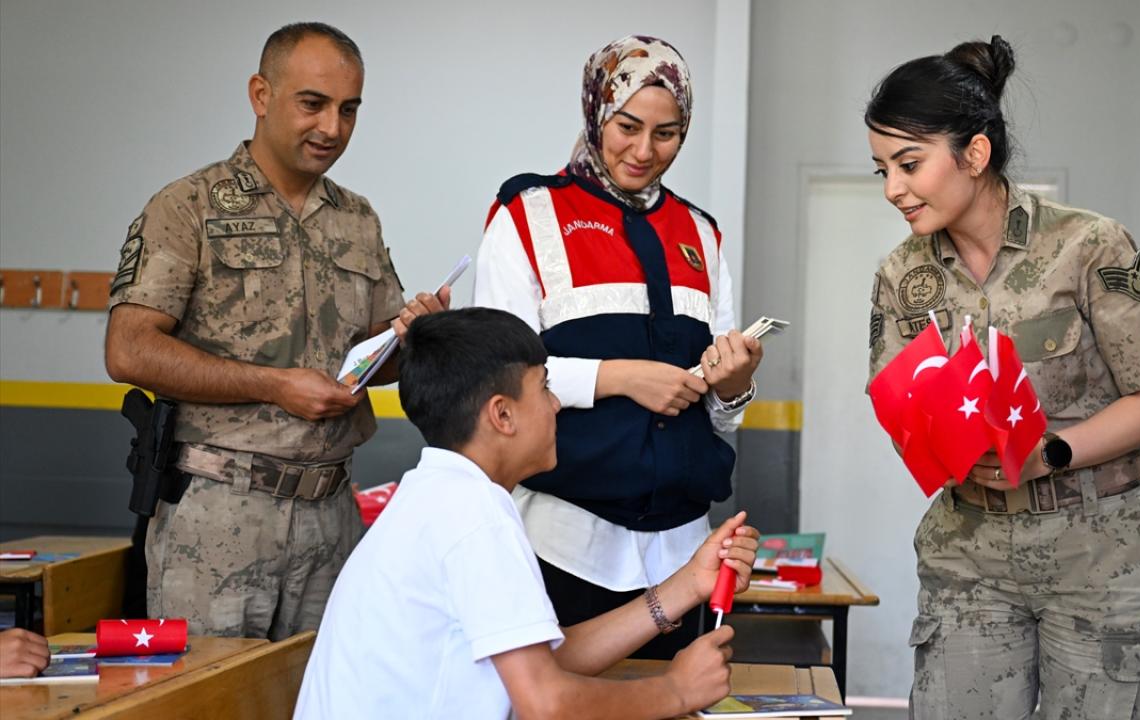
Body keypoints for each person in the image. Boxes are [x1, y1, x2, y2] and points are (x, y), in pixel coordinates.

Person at [864, 36, 1140, 718]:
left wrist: (1049, 455)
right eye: (881, 170)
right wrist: (941, 446)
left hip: (1101, 556)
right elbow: (900, 408)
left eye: (909, 164)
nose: (893, 189)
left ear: (974, 154)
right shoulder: (902, 276)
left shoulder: (1088, 246)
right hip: (969, 559)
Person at [103, 22, 447, 640]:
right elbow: (128, 350)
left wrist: (412, 335)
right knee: (213, 702)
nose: (332, 129)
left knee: (325, 699)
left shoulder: (357, 218)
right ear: (261, 95)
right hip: (219, 514)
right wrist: (272, 385)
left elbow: (374, 359)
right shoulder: (189, 206)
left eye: (349, 110)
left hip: (332, 512)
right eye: (312, 104)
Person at [294, 308, 758, 720]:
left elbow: (550, 660)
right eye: (545, 388)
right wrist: (675, 691)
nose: (556, 405)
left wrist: (688, 585)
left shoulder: (446, 495)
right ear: (502, 415)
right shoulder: (472, 515)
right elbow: (546, 703)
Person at [473, 35, 763, 657]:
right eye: (627, 126)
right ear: (596, 112)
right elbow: (497, 373)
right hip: (564, 544)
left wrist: (733, 387)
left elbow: (722, 420)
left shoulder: (701, 234)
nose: (644, 150)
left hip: (682, 553)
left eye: (668, 133)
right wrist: (620, 377)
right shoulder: (528, 213)